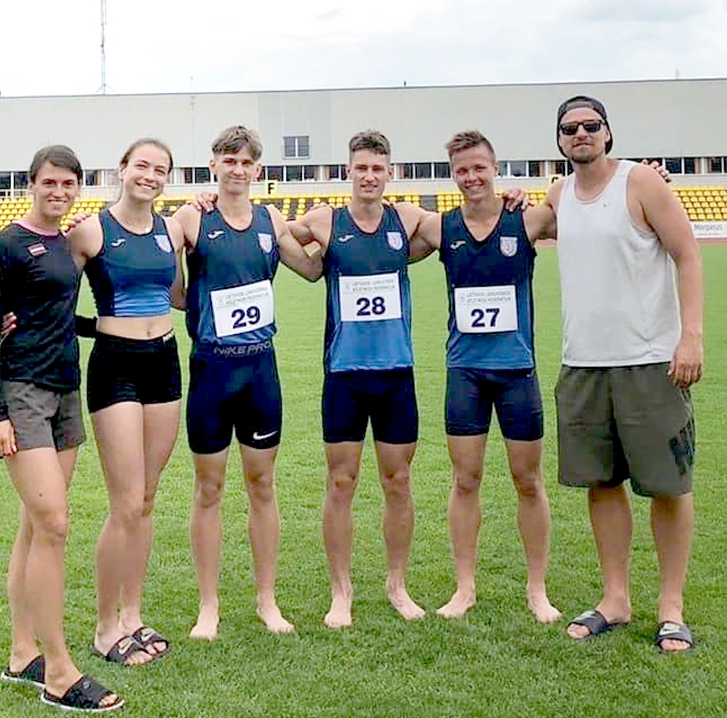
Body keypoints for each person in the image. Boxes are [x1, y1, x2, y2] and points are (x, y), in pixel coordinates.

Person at [546, 96, 703, 652]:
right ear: (560, 141)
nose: (581, 134)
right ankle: (615, 599)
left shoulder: (642, 184)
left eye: (592, 126)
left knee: (667, 484)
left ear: (608, 134)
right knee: (602, 482)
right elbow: (518, 226)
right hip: (583, 363)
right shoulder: (559, 194)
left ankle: (671, 607)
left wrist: (691, 336)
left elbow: (686, 255)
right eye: (570, 128)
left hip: (650, 362)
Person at [0, 145, 123, 711]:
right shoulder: (5, 246)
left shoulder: (66, 242)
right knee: (54, 524)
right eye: (49, 183)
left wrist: (108, 324)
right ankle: (57, 671)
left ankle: (21, 653)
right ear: (32, 184)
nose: (58, 192)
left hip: (65, 391)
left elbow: (54, 315)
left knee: (35, 528)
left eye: (69, 184)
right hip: (23, 395)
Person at [288, 130, 451, 628]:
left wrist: (509, 197)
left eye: (378, 168)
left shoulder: (406, 219)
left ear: (390, 173)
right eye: (360, 168)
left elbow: (466, 226)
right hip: (344, 373)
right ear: (348, 172)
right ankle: (342, 592)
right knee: (341, 481)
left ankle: (396, 584)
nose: (369, 176)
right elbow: (271, 233)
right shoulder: (325, 221)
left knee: (398, 481)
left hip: (395, 373)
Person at [170, 125, 321, 641]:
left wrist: (335, 226)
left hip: (260, 370)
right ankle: (208, 606)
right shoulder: (193, 216)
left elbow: (311, 268)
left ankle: (266, 601)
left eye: (246, 162)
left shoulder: (270, 219)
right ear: (213, 165)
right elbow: (171, 287)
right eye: (228, 160)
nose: (237, 169)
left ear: (258, 169)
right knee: (208, 489)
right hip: (212, 370)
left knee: (262, 485)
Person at [407, 130, 562, 623]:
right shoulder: (440, 227)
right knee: (465, 479)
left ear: (495, 168)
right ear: (453, 175)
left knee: (528, 480)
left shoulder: (528, 219)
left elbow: (575, 196)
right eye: (462, 170)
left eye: (479, 167)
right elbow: (384, 227)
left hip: (517, 373)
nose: (471, 177)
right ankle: (464, 587)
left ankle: (537, 588)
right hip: (465, 374)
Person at [68, 138, 185, 665]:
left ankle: (133, 617)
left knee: (146, 500)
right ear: (122, 169)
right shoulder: (92, 231)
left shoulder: (173, 229)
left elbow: (181, 293)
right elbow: (52, 300)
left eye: (160, 170)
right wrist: (100, 327)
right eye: (142, 165)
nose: (151, 176)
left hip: (165, 361)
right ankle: (104, 626)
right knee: (125, 501)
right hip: (115, 366)